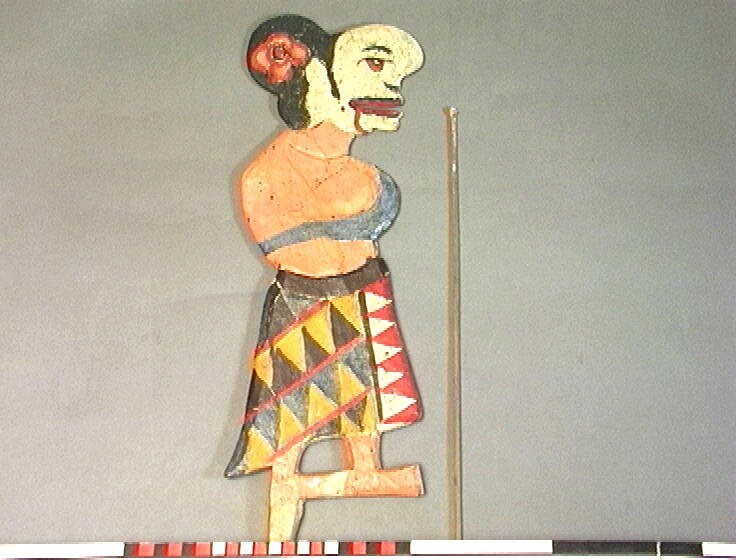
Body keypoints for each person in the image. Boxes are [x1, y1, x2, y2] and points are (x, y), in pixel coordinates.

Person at [225, 14, 424, 540]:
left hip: (362, 293)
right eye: (372, 68)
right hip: (304, 302)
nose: (390, 89)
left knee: (366, 393)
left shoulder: (363, 175)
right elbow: (285, 247)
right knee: (291, 407)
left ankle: (365, 466)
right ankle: (286, 498)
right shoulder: (268, 173)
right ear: (318, 78)